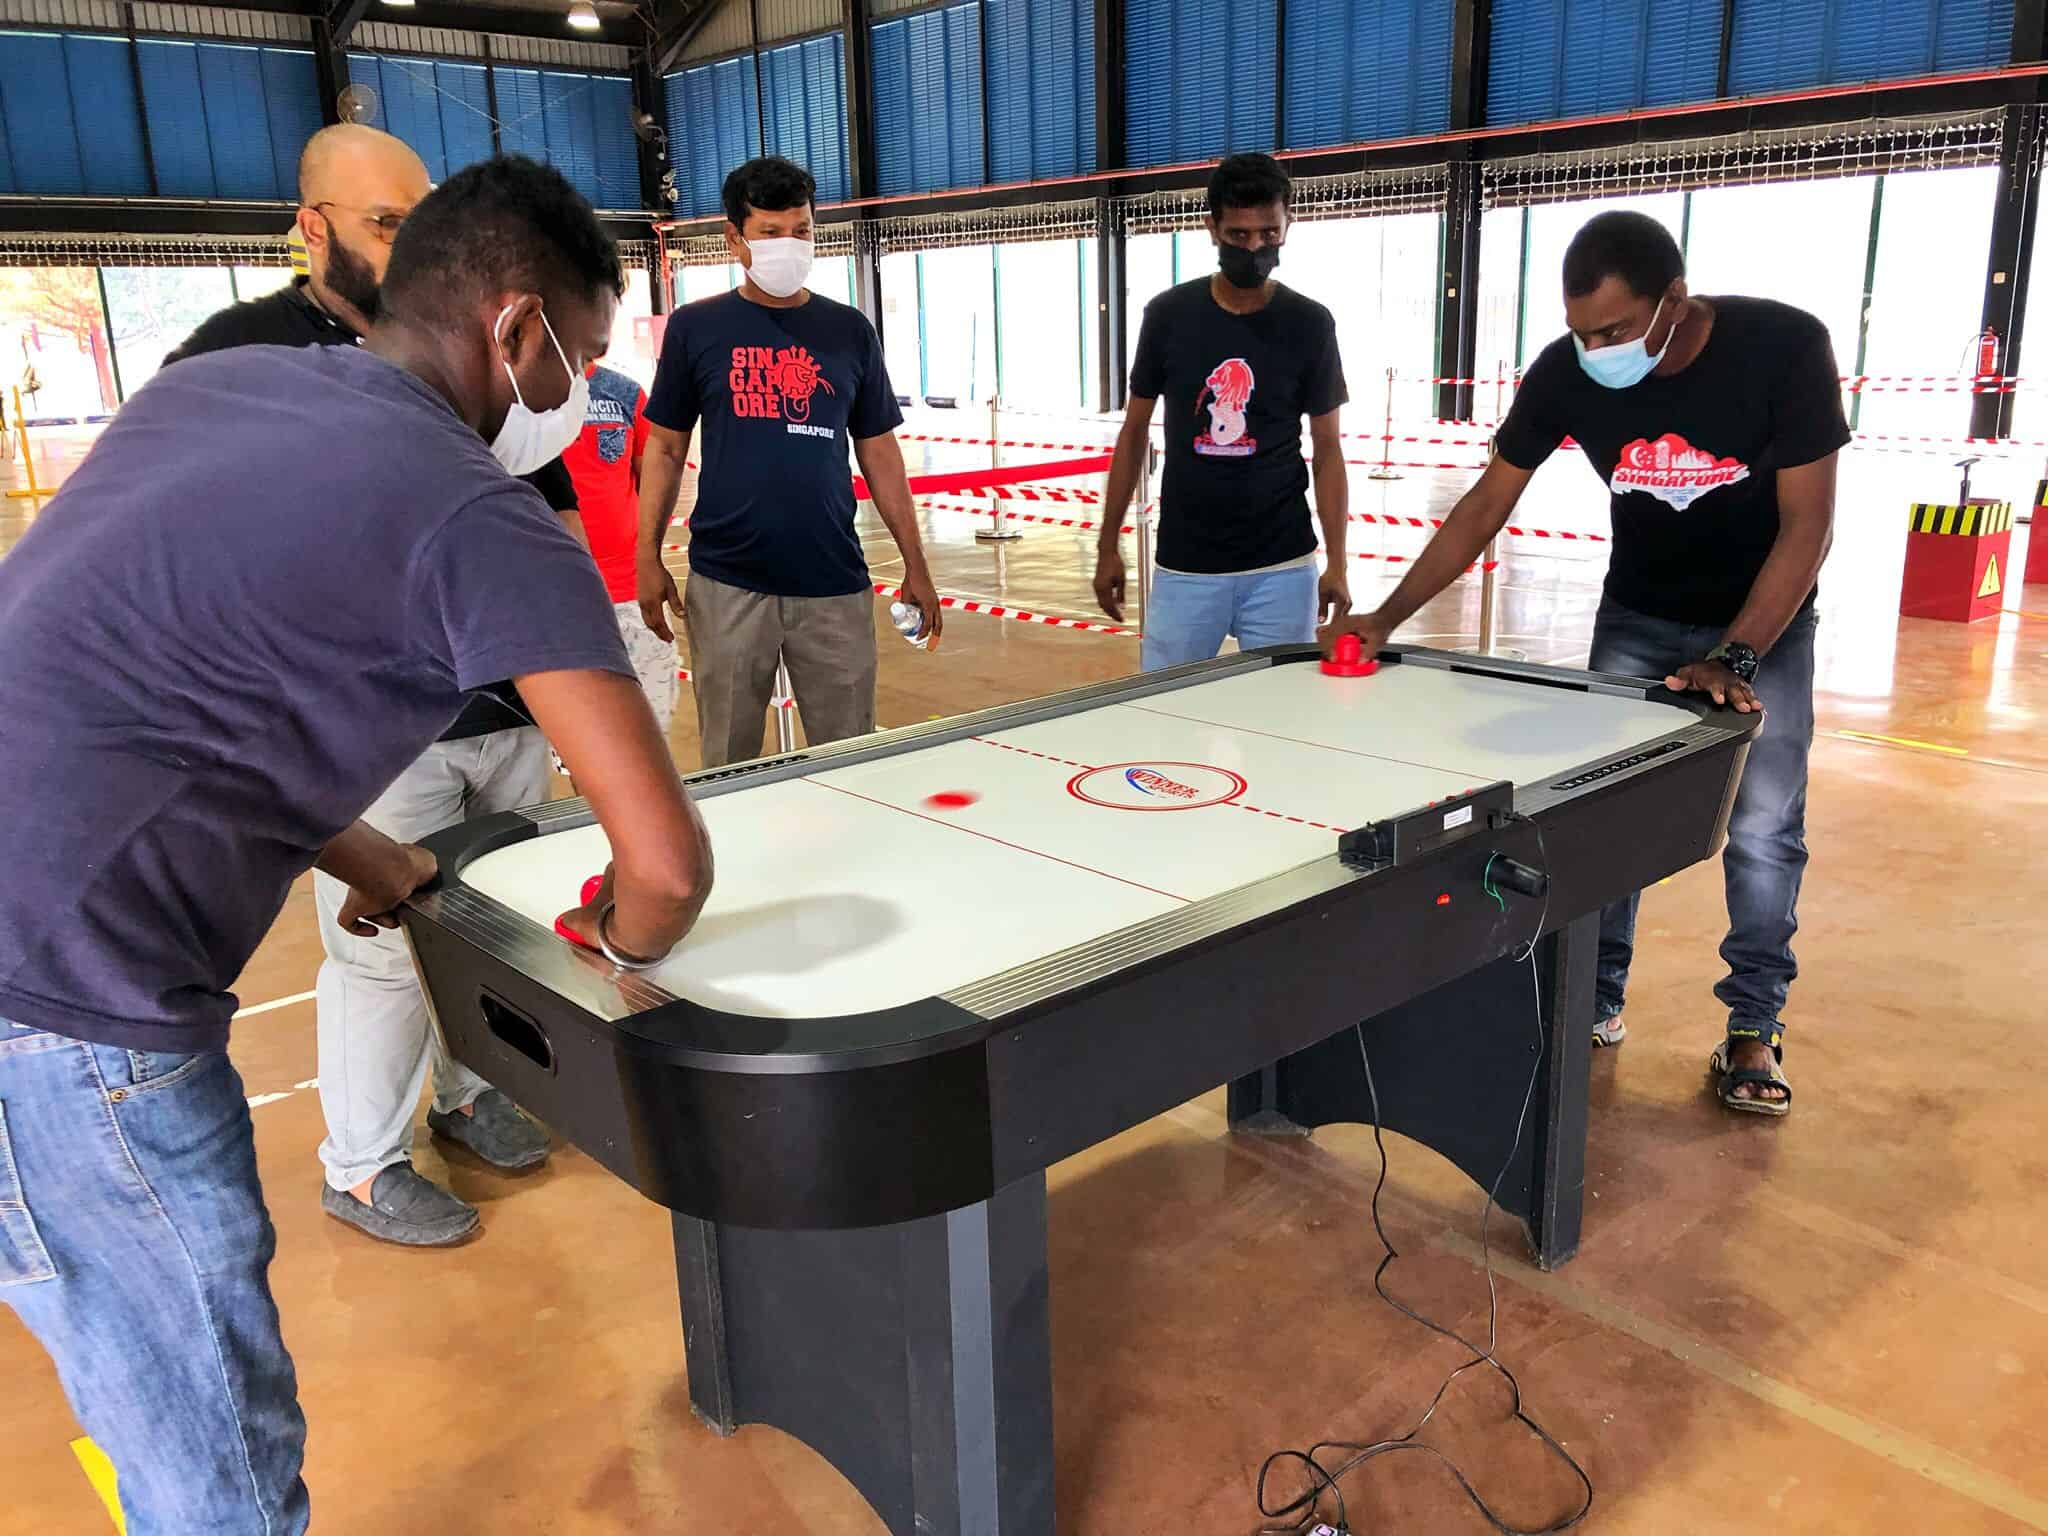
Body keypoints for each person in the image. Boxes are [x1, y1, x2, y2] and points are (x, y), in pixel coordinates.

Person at [0, 153, 714, 1532]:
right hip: (68, 1007)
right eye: (579, 360)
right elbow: (665, 867)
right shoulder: (477, 508)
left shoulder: (216, 388)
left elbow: (163, 689)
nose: (578, 399)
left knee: (132, 1382)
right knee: (212, 1446)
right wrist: (615, 951)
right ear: (515, 330)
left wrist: (366, 857)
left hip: (32, 951)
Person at [165, 124, 589, 1245]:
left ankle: (468, 1092)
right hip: (372, 730)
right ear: (311, 225)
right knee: (380, 949)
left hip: (500, 706)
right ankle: (357, 1165)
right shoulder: (240, 357)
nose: (407, 247)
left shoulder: (469, 345)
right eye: (382, 223)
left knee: (484, 928)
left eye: (419, 220)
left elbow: (544, 514)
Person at [1325, 210, 1846, 1116]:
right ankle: (1595, 1001)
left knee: (1762, 831)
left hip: (1765, 626)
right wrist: (1384, 617)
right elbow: (1487, 503)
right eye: (1580, 331)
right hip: (1637, 618)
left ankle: (1752, 1027)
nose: (1595, 348)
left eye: (1612, 329)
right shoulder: (1569, 372)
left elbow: (1809, 526)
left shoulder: (1783, 347)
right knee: (1609, 819)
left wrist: (1739, 654)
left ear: (1674, 302)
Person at [634, 154, 942, 769]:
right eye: (770, 232)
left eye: (800, 230)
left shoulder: (849, 331)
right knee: (728, 760)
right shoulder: (698, 328)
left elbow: (879, 450)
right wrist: (646, 555)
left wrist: (916, 562)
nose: (788, 244)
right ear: (734, 237)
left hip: (831, 580)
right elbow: (665, 447)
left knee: (849, 757)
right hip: (726, 580)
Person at [1094, 152, 1351, 667]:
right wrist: (1107, 545)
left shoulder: (1310, 323)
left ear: (1287, 226)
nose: (1255, 248)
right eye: (1239, 235)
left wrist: (1337, 563)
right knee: (1167, 716)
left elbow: (1327, 451)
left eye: (1268, 234)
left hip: (1283, 565)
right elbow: (1134, 432)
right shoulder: (1168, 316)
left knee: (1284, 724)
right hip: (1187, 565)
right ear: (1211, 228)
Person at [562, 357, 676, 735]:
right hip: (559, 598)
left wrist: (652, 565)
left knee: (649, 733)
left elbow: (652, 487)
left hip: (630, 594)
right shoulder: (519, 399)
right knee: (583, 741)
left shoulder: (625, 394)